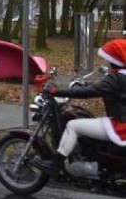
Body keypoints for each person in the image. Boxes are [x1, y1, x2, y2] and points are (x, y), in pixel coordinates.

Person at [36, 39, 126, 178]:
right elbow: (99, 86)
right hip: (120, 120)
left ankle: (56, 164)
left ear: (114, 59)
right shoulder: (120, 76)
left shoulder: (117, 78)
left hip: (120, 126)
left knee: (73, 125)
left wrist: (56, 91)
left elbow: (90, 92)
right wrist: (84, 83)